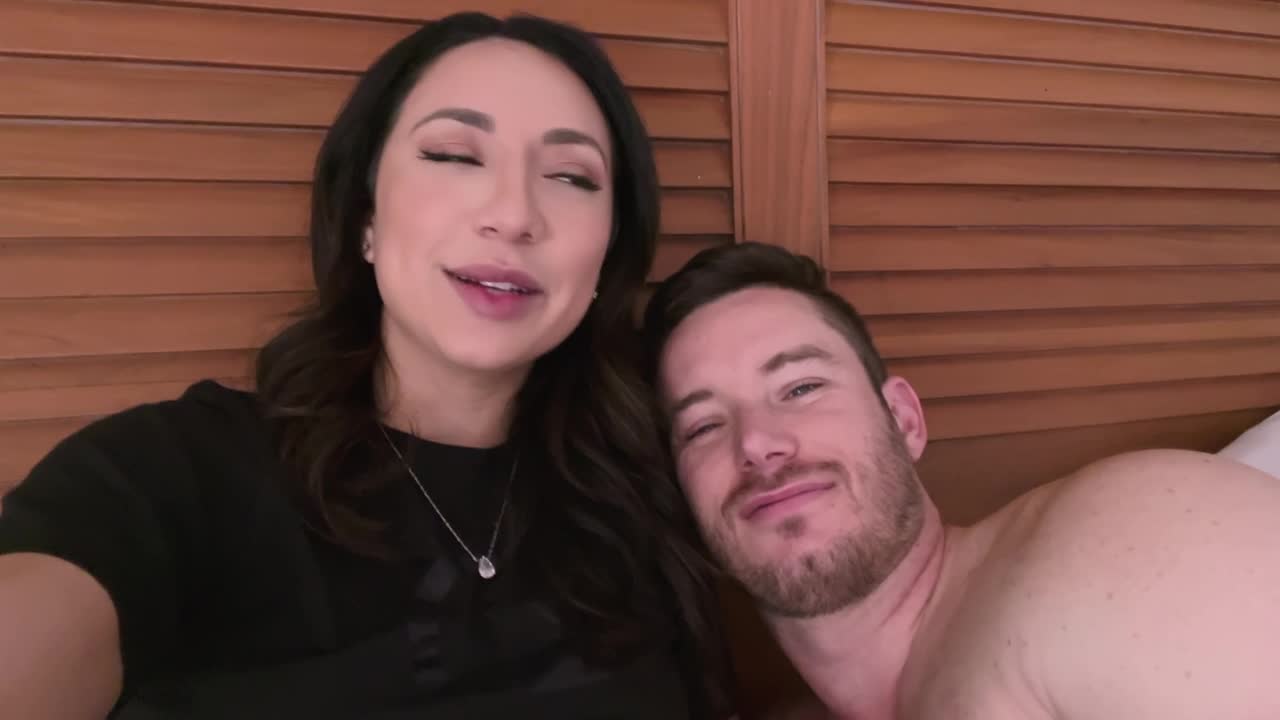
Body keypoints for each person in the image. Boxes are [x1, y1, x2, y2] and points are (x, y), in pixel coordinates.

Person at [0, 12, 731, 719]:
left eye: (571, 176)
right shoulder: (174, 476)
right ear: (365, 219)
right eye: (453, 155)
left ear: (607, 254)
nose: (514, 215)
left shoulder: (651, 493)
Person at [642, 241, 1280, 720]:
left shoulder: (1117, 546)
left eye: (801, 387)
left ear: (904, 420)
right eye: (703, 426)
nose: (756, 442)